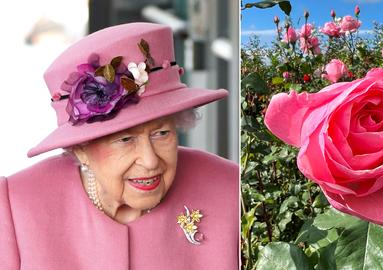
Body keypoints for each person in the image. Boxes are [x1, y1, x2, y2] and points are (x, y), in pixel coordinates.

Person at [0, 22, 239, 269]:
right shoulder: (16, 206)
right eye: (125, 140)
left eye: (162, 133)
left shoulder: (230, 188)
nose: (150, 161)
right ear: (80, 148)